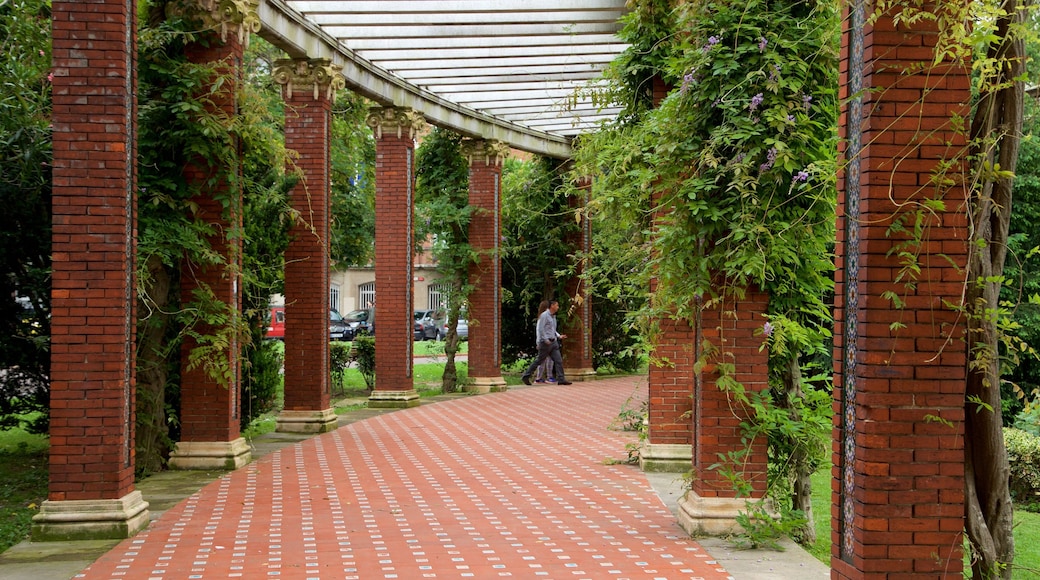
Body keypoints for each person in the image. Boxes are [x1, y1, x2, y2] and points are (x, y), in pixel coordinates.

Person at [521, 299, 571, 385]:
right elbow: (540, 329)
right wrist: (544, 339)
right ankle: (526, 376)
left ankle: (561, 379)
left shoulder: (553, 316)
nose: (558, 307)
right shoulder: (544, 315)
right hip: (545, 343)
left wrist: (559, 336)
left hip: (553, 342)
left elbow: (552, 329)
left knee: (558, 360)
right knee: (539, 360)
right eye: (557, 305)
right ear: (552, 306)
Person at [532, 301, 555, 383]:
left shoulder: (549, 317)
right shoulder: (543, 318)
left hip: (549, 340)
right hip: (544, 341)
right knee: (543, 360)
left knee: (549, 359)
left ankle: (546, 376)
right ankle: (541, 377)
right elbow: (539, 330)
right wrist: (538, 342)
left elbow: (552, 330)